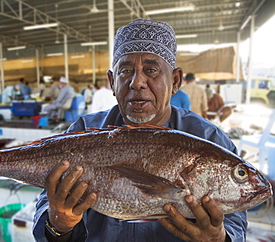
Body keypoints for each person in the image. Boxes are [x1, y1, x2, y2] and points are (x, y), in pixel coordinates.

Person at [33, 19, 246, 242]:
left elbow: (235, 223)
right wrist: (58, 225)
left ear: (175, 80)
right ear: (112, 81)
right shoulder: (85, 131)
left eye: (151, 70)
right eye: (125, 71)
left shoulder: (208, 139)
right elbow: (47, 209)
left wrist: (221, 239)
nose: (137, 82)